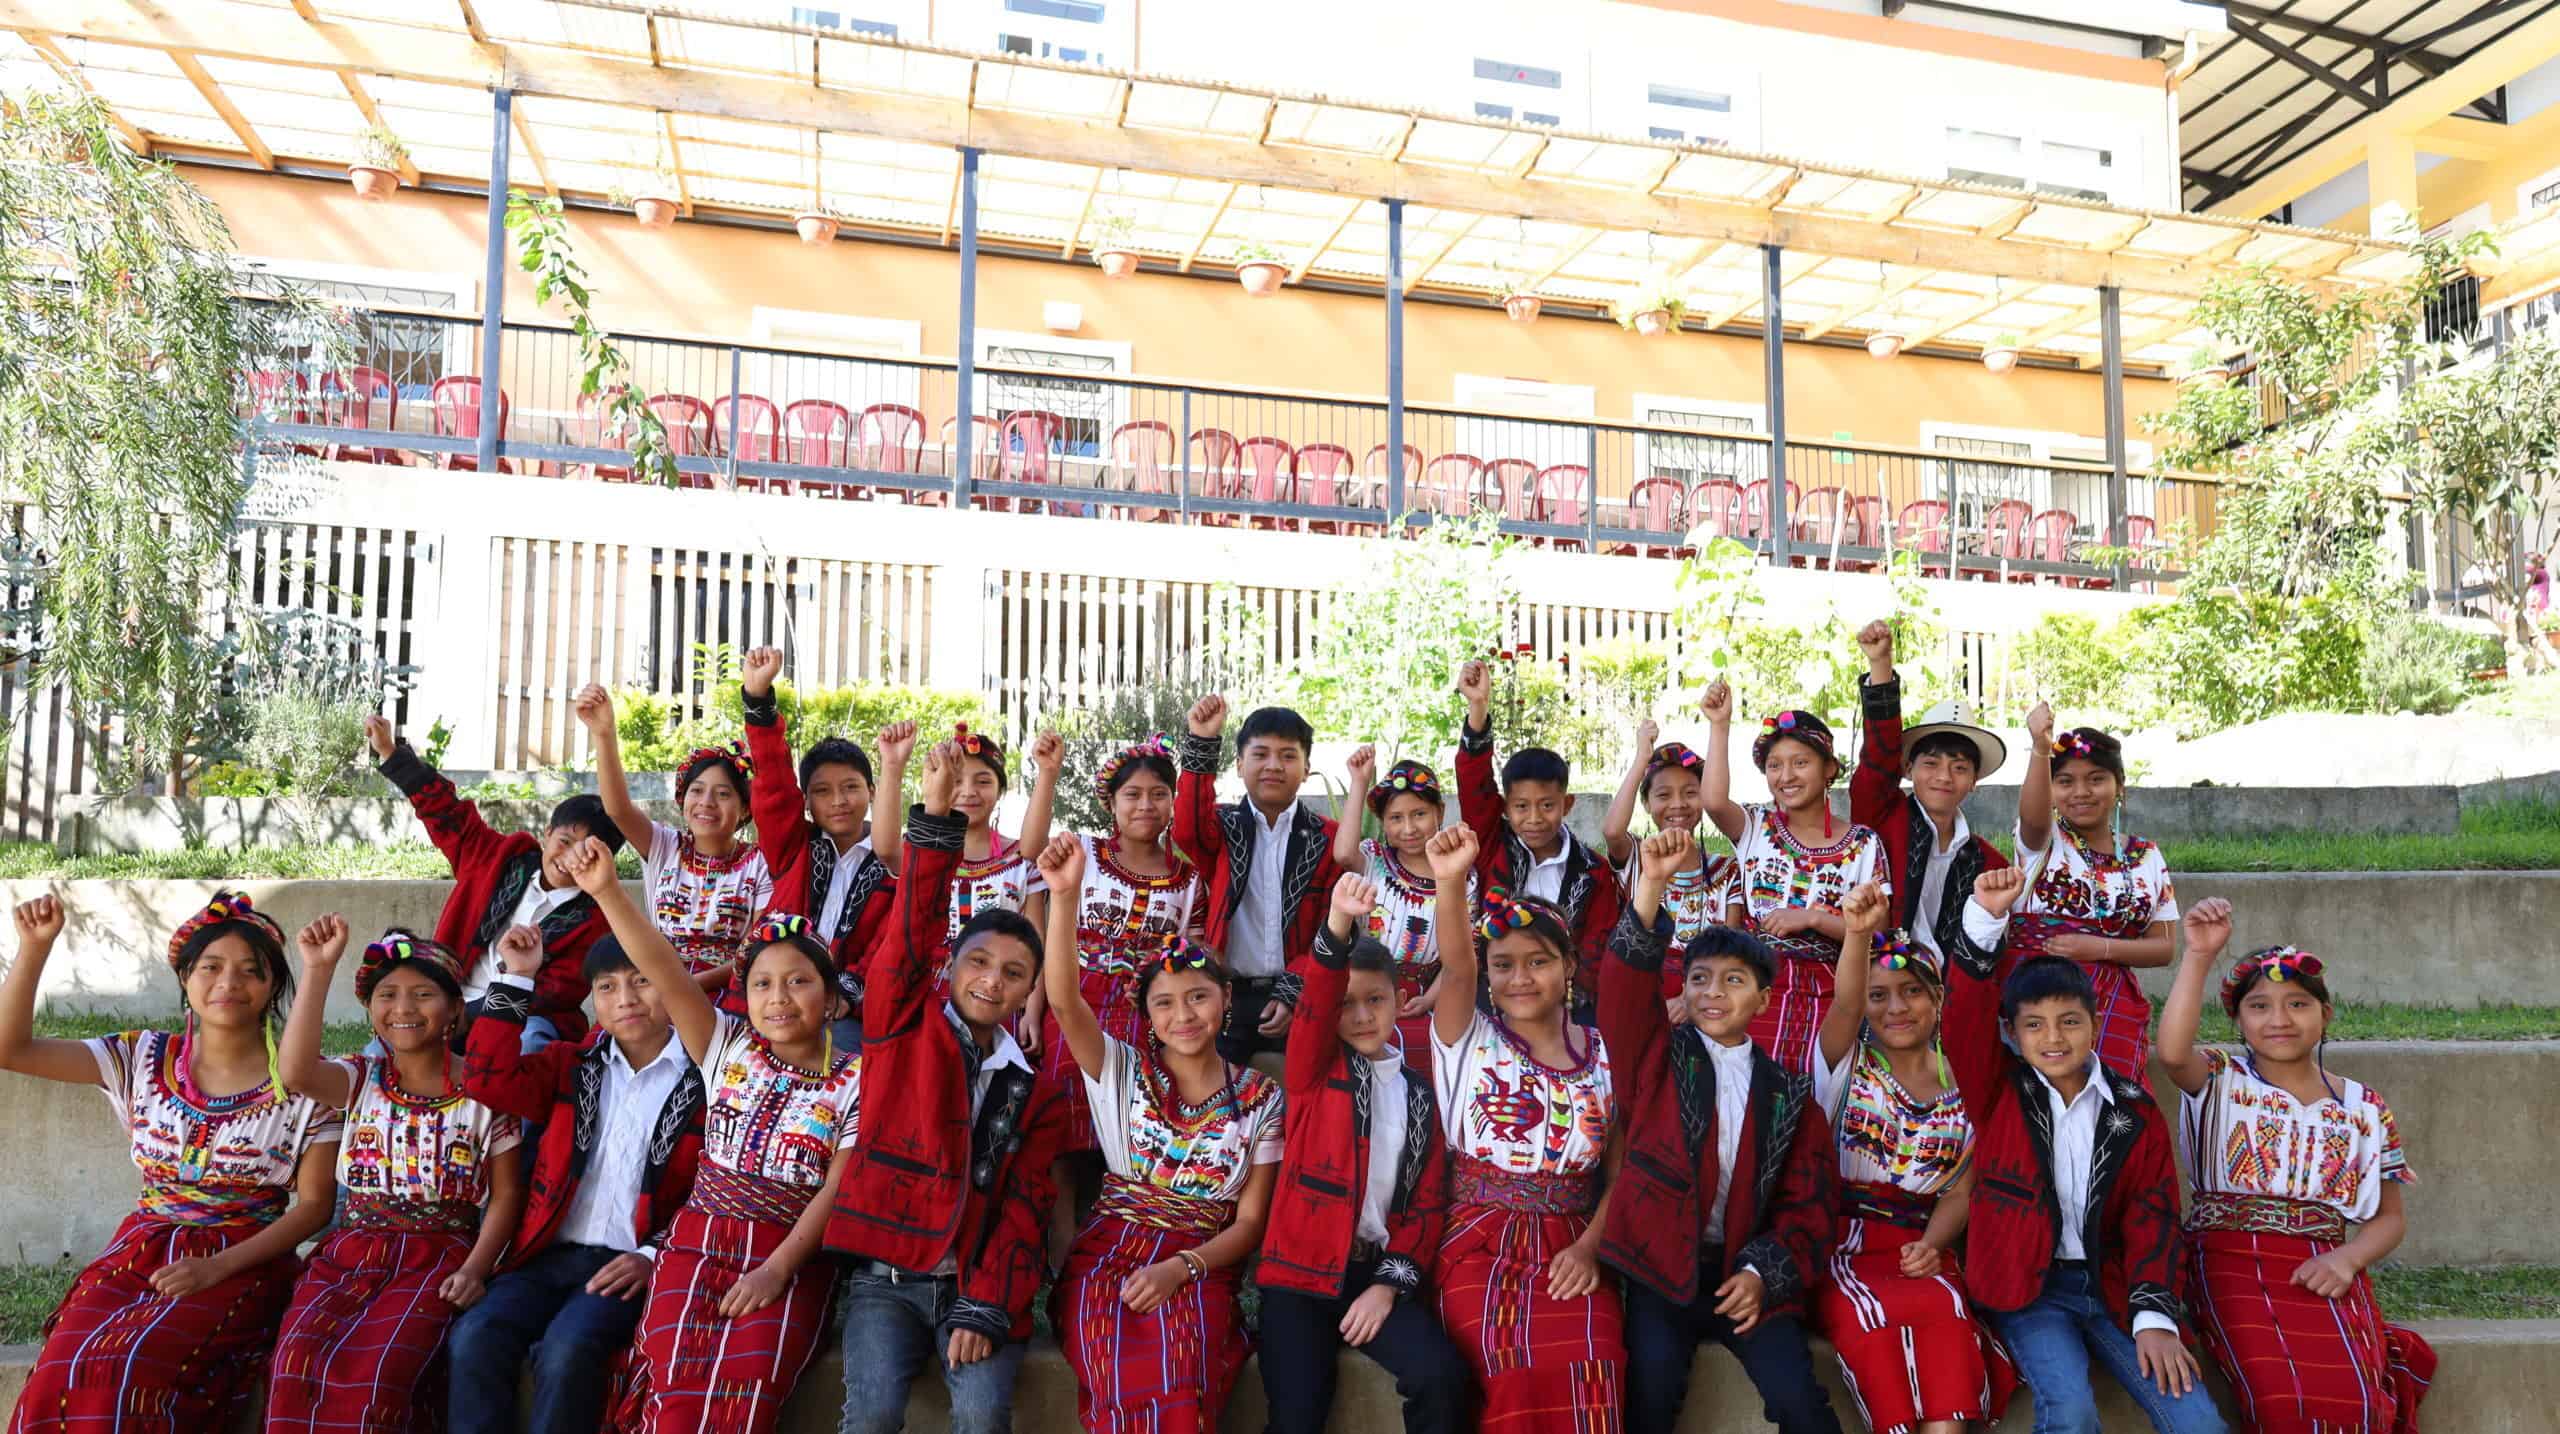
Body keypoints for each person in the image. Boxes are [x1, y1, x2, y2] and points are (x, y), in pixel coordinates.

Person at [0, 892, 341, 1434]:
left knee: (129, 1371)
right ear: (185, 978)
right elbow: (10, 1048)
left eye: (251, 971)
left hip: (243, 1258)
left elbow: (316, 1206)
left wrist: (215, 1267)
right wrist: (35, 948)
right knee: (63, 1369)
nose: (228, 982)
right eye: (210, 967)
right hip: (138, 1250)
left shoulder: (307, 1085)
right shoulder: (141, 1057)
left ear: (273, 986)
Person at [558, 836, 857, 1434]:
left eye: (798, 982)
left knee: (745, 1397)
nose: (777, 998)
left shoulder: (857, 1081)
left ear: (830, 999)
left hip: (789, 1255)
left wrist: (776, 1270)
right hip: (696, 1244)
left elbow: (834, 1191)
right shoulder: (726, 1046)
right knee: (671, 1388)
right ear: (743, 998)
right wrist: (608, 892)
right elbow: (665, 969)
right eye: (762, 984)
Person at [828, 741, 1073, 1434]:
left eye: (1015, 973)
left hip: (978, 1280)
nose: (993, 981)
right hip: (888, 1281)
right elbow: (909, 936)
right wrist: (932, 814)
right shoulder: (902, 1030)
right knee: (870, 1416)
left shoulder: (1038, 1091)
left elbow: (1026, 1204)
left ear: (1031, 989)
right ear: (952, 964)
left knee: (980, 1415)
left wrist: (986, 1302)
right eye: (980, 962)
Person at [1944, 866, 2227, 1434]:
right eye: (2036, 1025)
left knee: (2198, 1422)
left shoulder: (2133, 1110)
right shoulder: (2000, 1090)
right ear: (2011, 1034)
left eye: (2070, 1021)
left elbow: (2154, 1214)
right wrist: (1985, 919)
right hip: (2030, 1290)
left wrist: (2154, 1317)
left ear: (2095, 1025)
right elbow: (1962, 1020)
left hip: (2114, 1284)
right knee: (2070, 1411)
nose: (2054, 1038)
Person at [1034, 833, 1283, 1434]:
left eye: (1198, 997)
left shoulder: (1262, 1096)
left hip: (1200, 1263)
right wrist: (1064, 899)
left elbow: (1249, 1225)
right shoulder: (1122, 1071)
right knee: (1114, 1366)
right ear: (1147, 1016)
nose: (1184, 1015)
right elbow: (1065, 1002)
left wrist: (1182, 1268)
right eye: (1165, 1003)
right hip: (1108, 1256)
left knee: (1181, 1376)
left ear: (1225, 1001)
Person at [2157, 901, 2435, 1434]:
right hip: (2229, 1258)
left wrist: (2347, 1260)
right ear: (2237, 1019)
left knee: (2360, 1407)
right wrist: (2198, 955)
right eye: (2259, 1006)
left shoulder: (2363, 1106)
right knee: (2282, 1401)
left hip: (2323, 1264)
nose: (2279, 1020)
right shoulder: (2220, 1078)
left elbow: (2389, 1217)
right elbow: (2171, 1053)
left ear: (2325, 1014)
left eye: (2298, 1004)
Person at [1601, 831, 1842, 1434]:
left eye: (1733, 981)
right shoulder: (1654, 1058)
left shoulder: (1788, 1093)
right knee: (1648, 1401)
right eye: (1701, 979)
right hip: (1661, 1275)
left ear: (1763, 999)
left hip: (1746, 1275)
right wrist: (1651, 886)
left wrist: (1763, 1274)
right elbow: (1624, 994)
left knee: (1802, 1405)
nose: (1713, 993)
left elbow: (1807, 1206)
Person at [267, 923, 527, 1434]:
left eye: (423, 994)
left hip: (440, 1255)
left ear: (455, 1008)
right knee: (296, 1361)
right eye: (387, 995)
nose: (403, 1008)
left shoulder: (487, 1092)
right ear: (371, 1011)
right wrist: (318, 969)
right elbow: (295, 1072)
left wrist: (475, 1269)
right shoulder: (360, 1078)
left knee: (381, 1379)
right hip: (349, 1252)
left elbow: (507, 1194)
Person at [450, 927, 705, 1434]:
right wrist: (518, 979)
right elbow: (485, 1079)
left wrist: (653, 1255)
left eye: (642, 981)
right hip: (546, 1255)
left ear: (672, 985)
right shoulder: (570, 1065)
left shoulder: (705, 1078)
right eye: (607, 987)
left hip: (630, 1263)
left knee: (567, 1352)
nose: (626, 999)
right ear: (593, 1001)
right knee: (474, 1337)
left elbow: (713, 1189)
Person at [1422, 825, 1624, 1434]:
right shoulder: (1467, 1037)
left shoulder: (1604, 1053)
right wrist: (1451, 878)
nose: (1519, 978)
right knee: (1515, 1367)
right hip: (1481, 1242)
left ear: (1568, 966)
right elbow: (1456, 969)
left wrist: (1590, 1248)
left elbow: (1619, 1173)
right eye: (1503, 964)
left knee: (1599, 1358)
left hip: (1574, 1241)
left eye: (1538, 962)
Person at [1258, 872, 1471, 1434]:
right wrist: (1337, 924)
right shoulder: (1312, 1070)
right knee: (1297, 1417)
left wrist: (1386, 1286)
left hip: (1371, 1275)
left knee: (1441, 1378)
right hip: (1297, 1279)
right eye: (1344, 1004)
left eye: (1374, 1000)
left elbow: (1427, 1205)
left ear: (1400, 1002)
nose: (1358, 1016)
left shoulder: (1421, 1094)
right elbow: (1316, 1001)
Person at [1811, 882, 2012, 1434]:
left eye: (1912, 991)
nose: (1896, 1007)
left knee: (1949, 1323)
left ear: (1939, 999)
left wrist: (1931, 1244)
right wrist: (1856, 933)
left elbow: (1961, 1189)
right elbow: (1846, 1003)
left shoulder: (1964, 1082)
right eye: (1880, 994)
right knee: (1876, 1330)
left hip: (1924, 1249)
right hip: (1845, 1250)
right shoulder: (1843, 1064)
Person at [367, 714, 621, 1053]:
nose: (571, 858)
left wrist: (464, 1015)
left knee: (532, 1046)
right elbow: (447, 813)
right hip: (445, 998)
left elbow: (556, 992)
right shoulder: (498, 857)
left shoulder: (598, 917)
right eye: (564, 841)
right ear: (546, 835)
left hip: (521, 1017)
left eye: (587, 851)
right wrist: (391, 754)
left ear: (605, 859)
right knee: (376, 1055)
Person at [1698, 680, 1885, 1074]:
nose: (1786, 775)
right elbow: (1713, 801)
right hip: (1755, 984)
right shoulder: (1756, 826)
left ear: (1829, 768)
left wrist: (1814, 918)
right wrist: (1719, 725)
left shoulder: (1863, 844)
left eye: (1801, 762)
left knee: (1812, 1096)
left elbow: (1879, 930)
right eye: (1774, 765)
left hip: (1832, 993)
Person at [1033, 734, 1206, 1151]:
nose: (1146, 805)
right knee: (1062, 1110)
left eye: (1159, 794)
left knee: (1130, 1116)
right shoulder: (1082, 854)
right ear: (1110, 803)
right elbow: (1032, 873)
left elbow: (1191, 956)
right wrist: (1032, 1010)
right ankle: (1063, 1218)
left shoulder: (1189, 880)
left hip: (1143, 1016)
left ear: (1172, 803)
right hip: (1074, 1001)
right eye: (1132, 794)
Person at [576, 681, 776, 998]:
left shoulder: (759, 864)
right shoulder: (665, 846)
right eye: (696, 791)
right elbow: (617, 809)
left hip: (725, 993)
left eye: (723, 794)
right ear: (682, 801)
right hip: (658, 986)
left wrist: (686, 988)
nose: (707, 802)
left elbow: (753, 950)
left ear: (744, 809)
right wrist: (604, 733)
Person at [2008, 714, 2176, 1081]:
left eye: (2096, 779)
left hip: (2111, 1006)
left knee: (2113, 1111)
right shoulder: (2043, 841)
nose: (2081, 792)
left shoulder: (2148, 857)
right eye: (2065, 781)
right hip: (2040, 997)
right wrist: (2040, 746)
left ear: (2120, 786)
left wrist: (2098, 948)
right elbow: (2033, 817)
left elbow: (2163, 948)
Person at [1453, 661, 1624, 1016]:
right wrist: (1478, 709)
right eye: (1521, 806)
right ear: (1504, 807)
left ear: (1568, 804)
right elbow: (1473, 782)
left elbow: (1598, 941)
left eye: (1547, 805)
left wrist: (1573, 992)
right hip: (1493, 989)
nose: (1533, 819)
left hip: (1565, 998)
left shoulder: (1592, 871)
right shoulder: (1491, 847)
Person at [740, 646, 897, 1030]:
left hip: (847, 1008)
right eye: (823, 791)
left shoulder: (893, 859)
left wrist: (844, 993)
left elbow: (887, 941)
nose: (839, 801)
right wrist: (758, 698)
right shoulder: (794, 847)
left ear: (872, 791)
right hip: (775, 999)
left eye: (851, 787)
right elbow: (773, 783)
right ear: (806, 800)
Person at [1177, 695, 1339, 1064]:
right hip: (1227, 994)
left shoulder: (1327, 839)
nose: (1273, 766)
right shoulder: (1222, 828)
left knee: (1298, 1110)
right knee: (1224, 1104)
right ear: (1238, 764)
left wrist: (1293, 987)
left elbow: (1332, 928)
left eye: (1287, 755)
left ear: (1307, 767)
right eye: (1260, 754)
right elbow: (1187, 829)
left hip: (1302, 993)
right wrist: (1202, 740)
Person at [1849, 621, 2012, 963]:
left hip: (1948, 993)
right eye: (1931, 763)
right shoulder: (1881, 819)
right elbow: (1878, 758)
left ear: (1974, 780)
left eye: (1960, 767)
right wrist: (1881, 665)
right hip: (1881, 979)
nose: (1944, 776)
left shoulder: (1989, 862)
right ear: (1907, 769)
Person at [1332, 746, 1477, 1064]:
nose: (1408, 828)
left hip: (1424, 1000)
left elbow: (1464, 950)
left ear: (1439, 812)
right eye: (1395, 818)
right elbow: (1343, 854)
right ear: (1382, 823)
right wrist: (1359, 782)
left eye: (1419, 814)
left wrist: (1429, 999)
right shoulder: (1372, 860)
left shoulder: (1459, 877)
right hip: (1365, 996)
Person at [871, 723, 1062, 962]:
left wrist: (1047, 774)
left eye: (983, 782)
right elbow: (886, 850)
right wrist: (892, 765)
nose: (969, 792)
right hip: (926, 995)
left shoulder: (1020, 863)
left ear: (1000, 790)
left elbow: (1036, 953)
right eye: (956, 781)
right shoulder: (922, 854)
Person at [1598, 697, 1735, 1024]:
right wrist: (1641, 758)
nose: (1678, 805)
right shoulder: (1639, 858)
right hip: (1642, 994)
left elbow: (1731, 948)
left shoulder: (1727, 869)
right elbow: (1612, 831)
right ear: (1645, 803)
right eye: (1662, 795)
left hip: (1708, 1000)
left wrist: (1692, 1000)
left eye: (1691, 792)